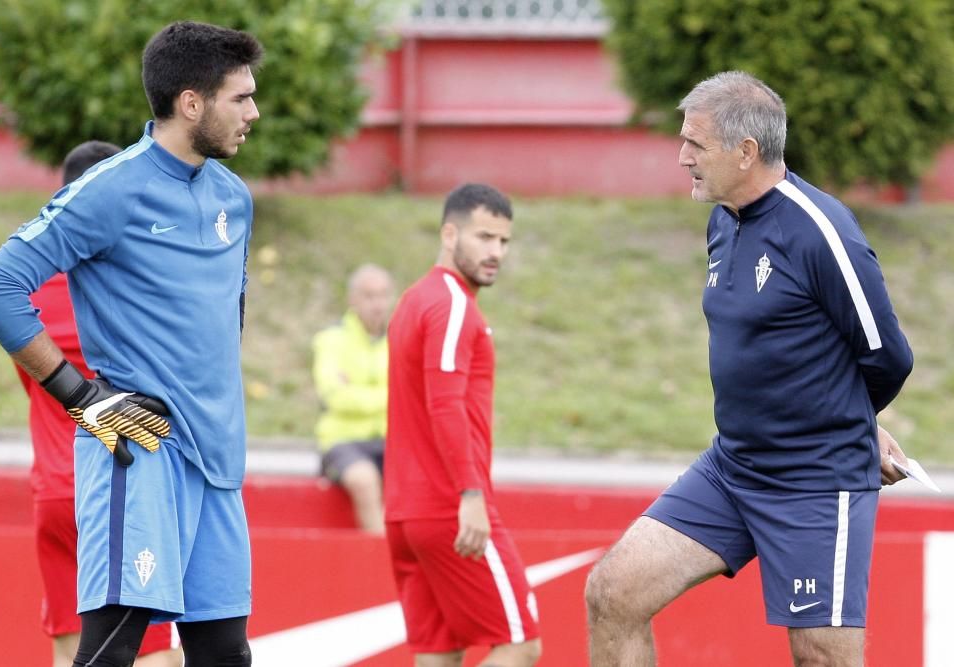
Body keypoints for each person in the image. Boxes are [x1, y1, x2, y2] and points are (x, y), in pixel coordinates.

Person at [585, 71, 914, 666]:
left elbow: (888, 355)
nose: (682, 156)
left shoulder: (823, 232)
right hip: (732, 467)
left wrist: (855, 423)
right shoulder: (723, 220)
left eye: (695, 144)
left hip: (817, 480)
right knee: (613, 594)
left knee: (821, 658)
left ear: (746, 152)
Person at [0, 20, 261, 667]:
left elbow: (223, 319)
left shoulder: (233, 200)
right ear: (192, 102)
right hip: (142, 455)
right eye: (240, 98)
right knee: (111, 652)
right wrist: (82, 398)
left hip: (218, 469)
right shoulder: (110, 189)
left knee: (225, 654)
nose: (254, 112)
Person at [17, 140, 182, 666]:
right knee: (151, 649)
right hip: (120, 486)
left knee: (71, 651)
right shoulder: (134, 288)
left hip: (55, 492)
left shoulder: (31, 290)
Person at [384, 183, 542, 667]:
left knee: (439, 653)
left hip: (407, 513)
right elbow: (444, 404)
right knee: (520, 643)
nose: (496, 252)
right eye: (484, 237)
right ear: (449, 234)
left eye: (504, 241)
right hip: (451, 508)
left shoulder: (415, 298)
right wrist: (470, 497)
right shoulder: (451, 304)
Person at [312, 263, 394, 534]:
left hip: (390, 439)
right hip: (342, 442)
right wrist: (388, 395)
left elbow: (413, 394)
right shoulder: (331, 340)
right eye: (369, 296)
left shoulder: (399, 339)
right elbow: (335, 397)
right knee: (364, 480)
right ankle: (382, 556)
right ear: (353, 299)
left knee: (424, 478)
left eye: (383, 295)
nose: (378, 304)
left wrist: (357, 393)